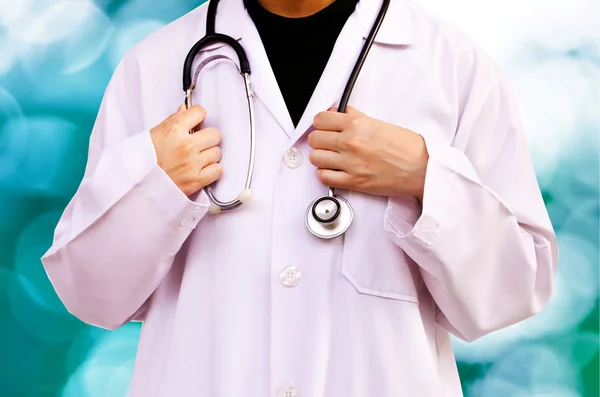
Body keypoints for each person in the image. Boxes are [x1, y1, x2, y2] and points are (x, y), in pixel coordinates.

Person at [41, 0, 558, 395]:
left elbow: (513, 291)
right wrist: (155, 185)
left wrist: (425, 178)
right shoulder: (153, 67)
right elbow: (89, 293)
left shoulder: (454, 67)